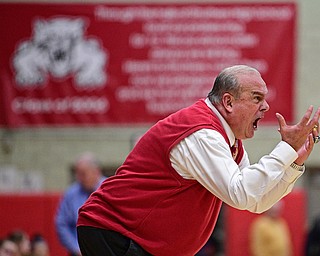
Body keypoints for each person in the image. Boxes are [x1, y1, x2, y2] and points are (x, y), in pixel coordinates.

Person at [77, 65, 320, 256]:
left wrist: (294, 166)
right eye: (257, 98)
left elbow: (255, 201)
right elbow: (242, 192)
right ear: (228, 102)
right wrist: (286, 148)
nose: (265, 106)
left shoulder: (229, 140)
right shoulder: (201, 133)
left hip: (134, 239)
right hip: (115, 233)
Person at [55, 152, 106, 256]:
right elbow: (61, 223)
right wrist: (76, 248)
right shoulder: (71, 194)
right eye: (77, 173)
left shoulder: (110, 189)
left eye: (83, 174)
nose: (79, 178)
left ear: (96, 172)